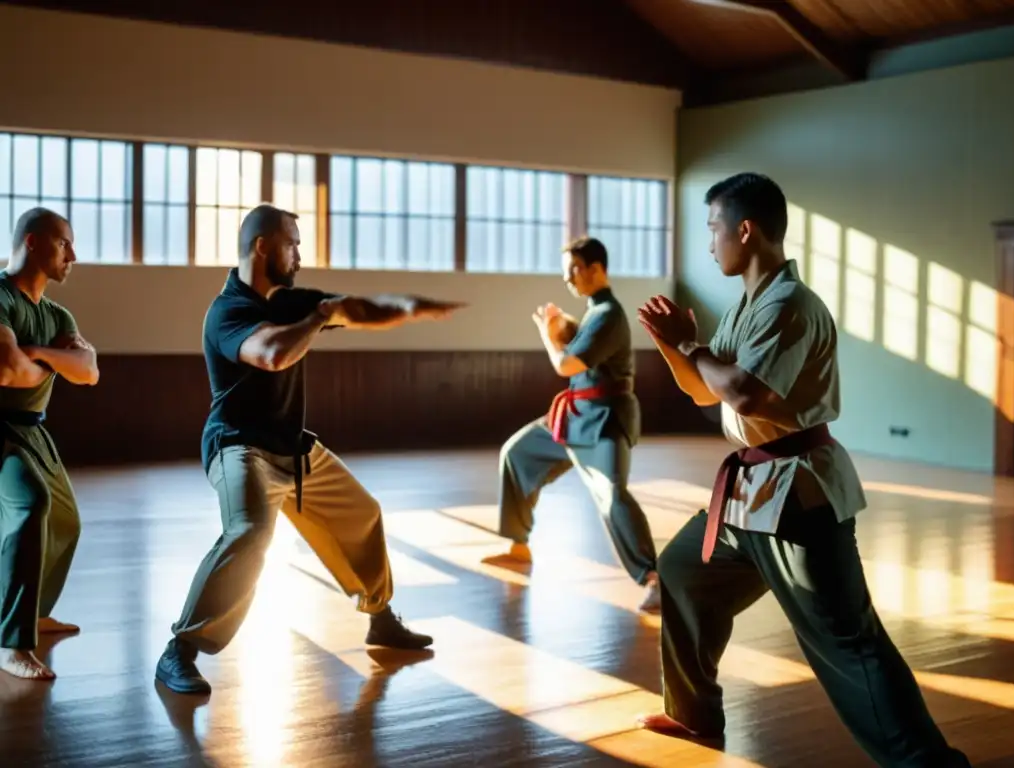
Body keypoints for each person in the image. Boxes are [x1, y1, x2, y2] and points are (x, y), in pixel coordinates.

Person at [635, 173, 971, 766]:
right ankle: (692, 714)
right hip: (750, 492)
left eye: (714, 229)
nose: (709, 243)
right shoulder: (748, 303)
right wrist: (673, 343)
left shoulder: (790, 305)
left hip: (798, 495)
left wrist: (692, 348)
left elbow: (742, 394)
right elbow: (702, 392)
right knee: (684, 571)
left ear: (746, 229)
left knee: (848, 644)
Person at [155, 203, 466, 695]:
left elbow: (354, 307)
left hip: (291, 449)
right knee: (250, 533)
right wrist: (317, 319)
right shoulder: (227, 311)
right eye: (292, 243)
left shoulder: (291, 301)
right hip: (239, 448)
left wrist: (413, 307)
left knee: (362, 514)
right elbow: (274, 354)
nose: (299, 254)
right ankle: (181, 650)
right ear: (263, 247)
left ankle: (380, 618)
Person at [487, 236, 660, 613]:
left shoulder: (609, 314)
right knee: (517, 453)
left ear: (596, 268)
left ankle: (653, 577)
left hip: (604, 420)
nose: (567, 278)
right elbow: (581, 350)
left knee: (612, 495)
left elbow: (566, 365)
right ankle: (518, 544)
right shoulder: (594, 312)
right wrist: (561, 325)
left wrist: (547, 337)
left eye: (573, 270)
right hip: (574, 415)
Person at [0, 208, 98, 681]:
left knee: (67, 520)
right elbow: (5, 371)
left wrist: (35, 352)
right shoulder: (0, 297)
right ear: (34, 242)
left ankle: (34, 612)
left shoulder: (57, 314)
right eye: (64, 244)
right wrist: (56, 360)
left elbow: (89, 370)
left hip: (34, 428)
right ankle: (11, 642)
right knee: (29, 505)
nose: (72, 256)